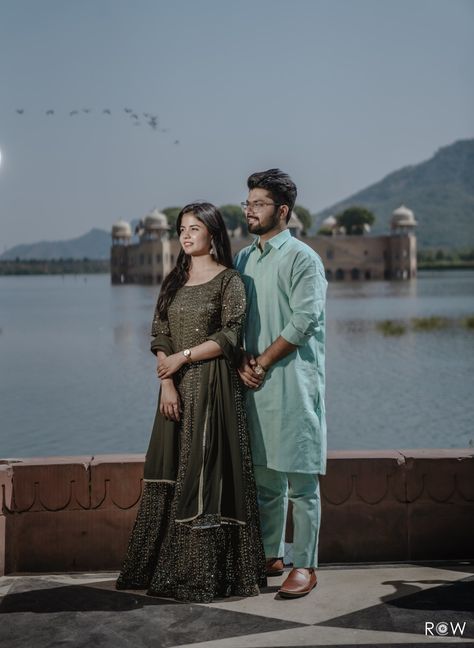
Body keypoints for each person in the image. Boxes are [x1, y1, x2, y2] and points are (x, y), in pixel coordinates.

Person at [117, 202, 266, 602]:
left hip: (214, 388)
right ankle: (156, 565)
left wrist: (184, 358)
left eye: (194, 228)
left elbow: (230, 337)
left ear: (213, 234)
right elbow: (160, 334)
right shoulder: (173, 281)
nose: (185, 235)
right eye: (181, 228)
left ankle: (203, 573)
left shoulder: (229, 281)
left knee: (203, 470)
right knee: (168, 468)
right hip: (174, 388)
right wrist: (167, 382)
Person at [235, 169, 327, 599]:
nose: (249, 210)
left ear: (282, 210)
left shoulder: (303, 258)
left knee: (302, 481)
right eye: (248, 203)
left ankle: (305, 565)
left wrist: (264, 361)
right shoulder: (244, 259)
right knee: (267, 478)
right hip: (256, 383)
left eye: (258, 204)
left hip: (291, 381)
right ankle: (271, 554)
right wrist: (242, 362)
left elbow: (305, 321)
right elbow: (235, 319)